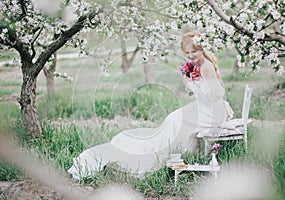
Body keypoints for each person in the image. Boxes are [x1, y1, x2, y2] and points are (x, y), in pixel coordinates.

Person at [67, 31, 234, 179]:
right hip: (203, 107)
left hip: (211, 111)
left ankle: (175, 153)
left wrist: (191, 83)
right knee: (172, 120)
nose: (190, 56)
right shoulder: (196, 65)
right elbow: (197, 91)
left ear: (202, 50)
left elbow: (212, 95)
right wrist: (189, 79)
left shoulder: (206, 67)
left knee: (176, 121)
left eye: (194, 52)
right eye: (187, 53)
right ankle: (165, 151)